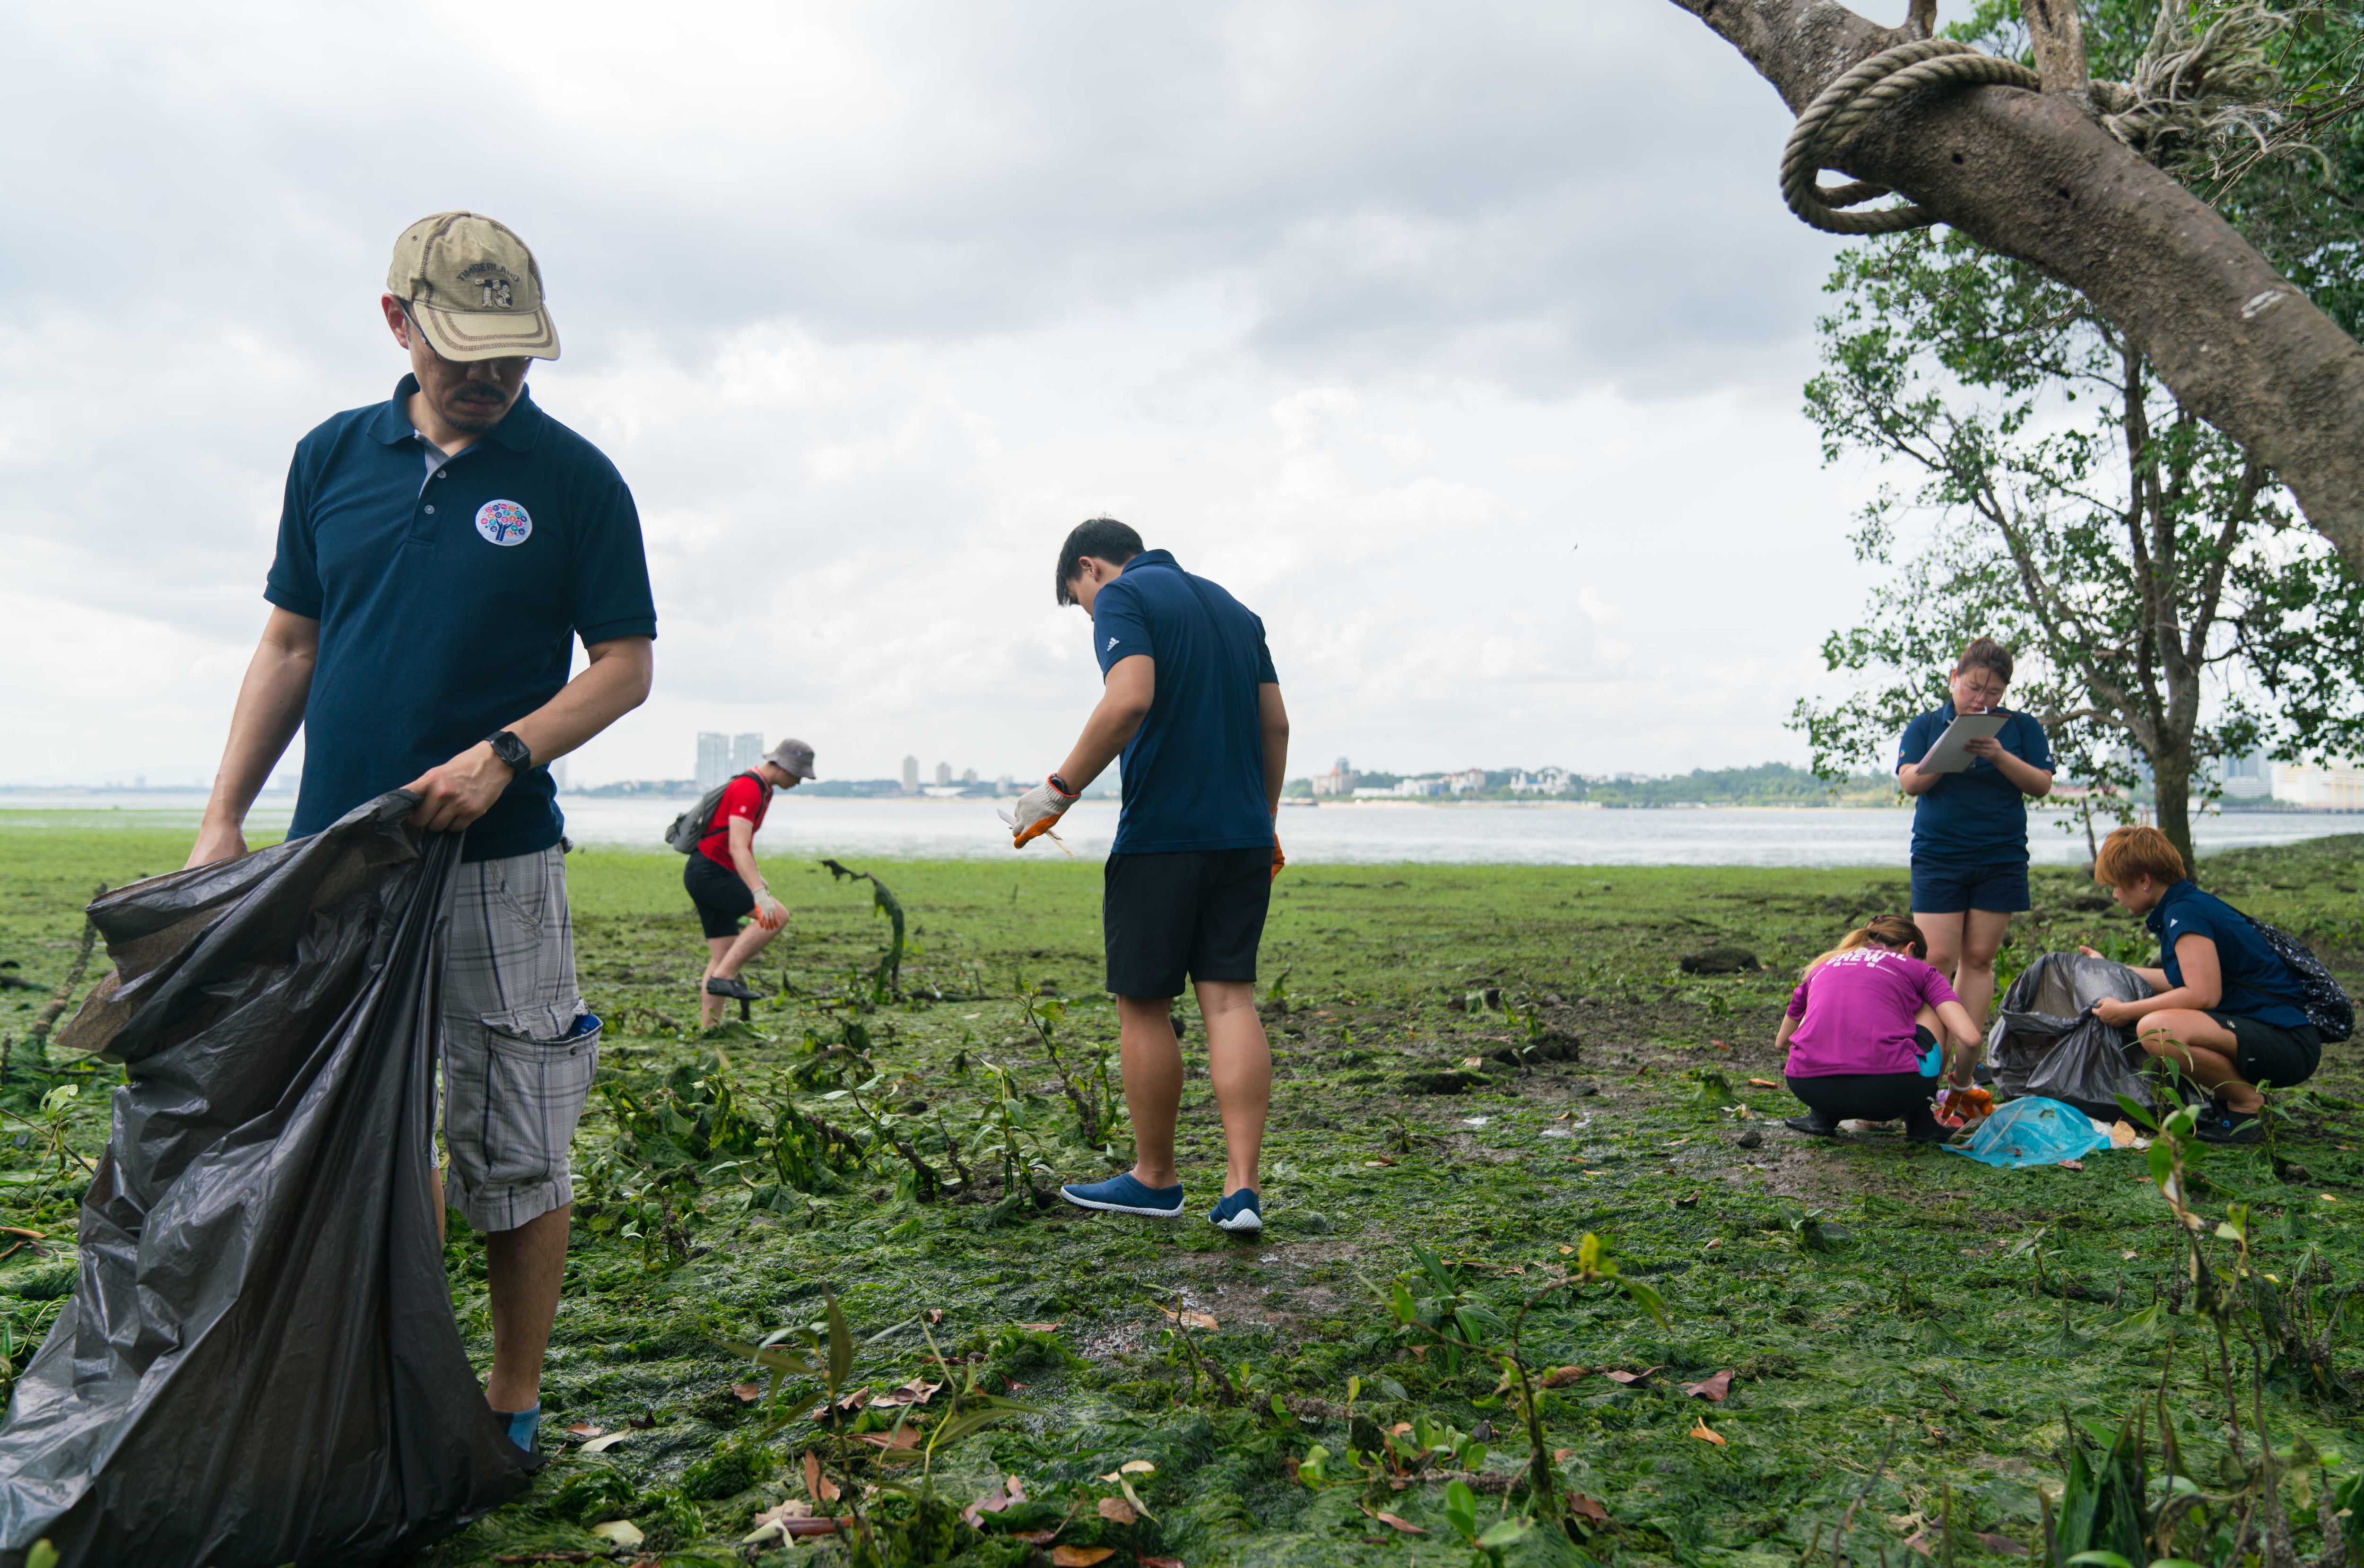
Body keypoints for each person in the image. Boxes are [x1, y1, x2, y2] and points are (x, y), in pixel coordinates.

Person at [184, 212, 655, 1455]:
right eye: (468, 352)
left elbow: (624, 667)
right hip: (338, 861)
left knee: (515, 1129)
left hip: (499, 867)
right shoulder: (331, 458)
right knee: (336, 1131)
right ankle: (344, 1369)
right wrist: (226, 814)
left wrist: (509, 753)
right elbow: (292, 640)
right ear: (399, 321)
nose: (495, 376)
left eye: (517, 354)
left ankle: (508, 1398)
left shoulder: (575, 480)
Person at [1011, 518, 1288, 1235]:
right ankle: (1242, 1189)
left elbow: (1129, 697)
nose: (1090, 618)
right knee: (1230, 1001)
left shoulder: (1125, 599)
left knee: (1144, 1003)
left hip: (1164, 837)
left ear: (1090, 568)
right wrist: (1266, 820)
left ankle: (1156, 1178)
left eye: (1080, 602)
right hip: (1241, 837)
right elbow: (1277, 725)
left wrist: (1058, 790)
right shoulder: (1235, 608)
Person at [2081, 824, 2319, 1144]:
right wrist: (2112, 968)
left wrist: (2127, 1011)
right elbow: (2178, 980)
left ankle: (2248, 1105)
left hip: (2287, 1040)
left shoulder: (2185, 913)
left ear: (2143, 880)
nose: (2113, 894)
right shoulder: (2186, 906)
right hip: (2268, 1033)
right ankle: (2230, 1103)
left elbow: (2203, 994)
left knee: (2155, 1029)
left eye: (2115, 885)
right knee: (2157, 1024)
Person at [1896, 637, 2054, 1031]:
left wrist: (1998, 754)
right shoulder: (1927, 725)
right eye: (1973, 687)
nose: (1982, 699)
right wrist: (1950, 752)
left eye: (1994, 692)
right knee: (1937, 960)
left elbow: (2041, 784)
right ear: (1954, 678)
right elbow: (1911, 782)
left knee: (1980, 958)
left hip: (2000, 857)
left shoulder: (2021, 727)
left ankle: (1964, 1065)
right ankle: (1928, 1062)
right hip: (1940, 856)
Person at [1777, 915, 1982, 1142]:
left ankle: (1822, 1117)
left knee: (1826, 1011)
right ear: (1910, 949)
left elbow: (1783, 1042)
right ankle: (1920, 1120)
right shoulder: (1919, 970)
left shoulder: (1822, 967)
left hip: (1807, 1087)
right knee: (1932, 1005)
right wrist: (1961, 1087)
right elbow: (1970, 1039)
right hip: (1895, 1089)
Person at [686, 739, 815, 1026]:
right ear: (782, 766)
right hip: (710, 873)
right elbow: (738, 846)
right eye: (798, 774)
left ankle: (710, 1028)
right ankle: (724, 978)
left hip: (708, 872)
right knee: (777, 915)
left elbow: (741, 845)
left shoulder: (763, 788)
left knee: (722, 954)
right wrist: (758, 892)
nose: (798, 781)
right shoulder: (749, 787)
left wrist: (757, 879)